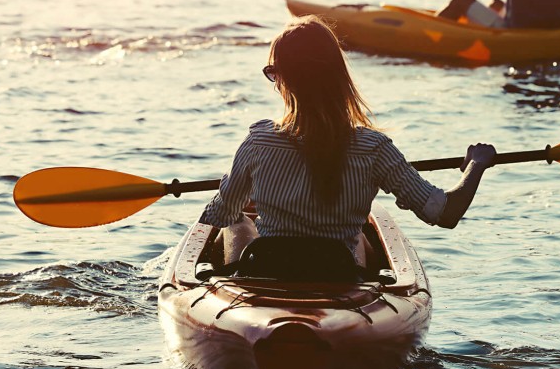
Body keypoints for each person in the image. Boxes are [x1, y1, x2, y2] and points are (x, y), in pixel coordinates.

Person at [198, 15, 497, 273]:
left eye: (274, 73)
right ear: (338, 76)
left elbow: (219, 215)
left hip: (267, 270)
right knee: (363, 239)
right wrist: (476, 164)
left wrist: (229, 194)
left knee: (236, 221)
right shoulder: (374, 149)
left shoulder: (259, 141)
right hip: (337, 274)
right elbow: (445, 213)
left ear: (285, 80)